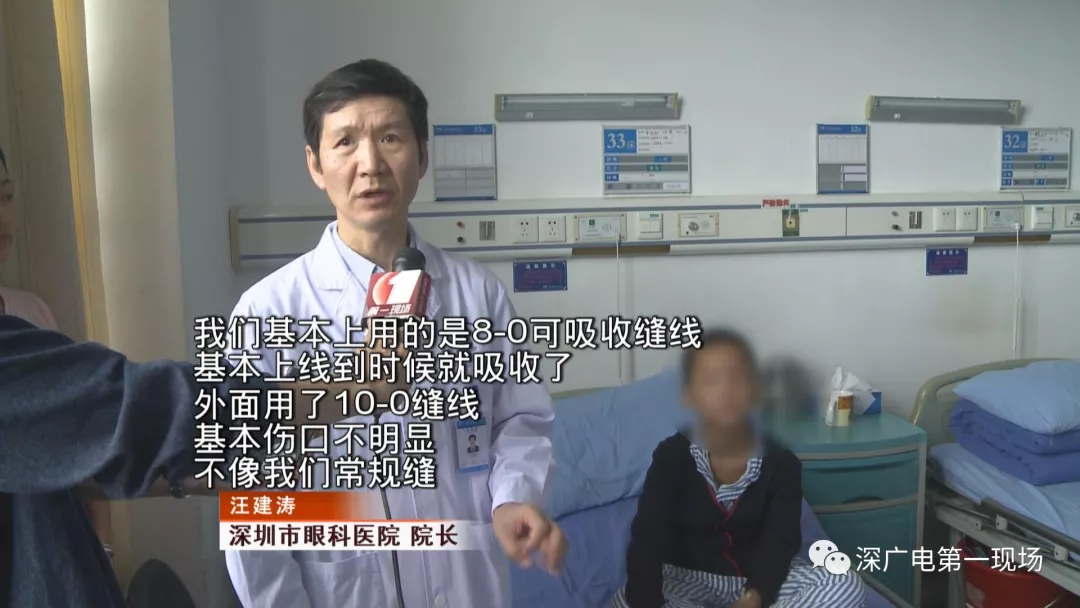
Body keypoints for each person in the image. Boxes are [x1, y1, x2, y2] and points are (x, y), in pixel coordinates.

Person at [223, 59, 566, 608]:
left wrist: (511, 498)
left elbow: (518, 419)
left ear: (422, 156)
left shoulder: (478, 295)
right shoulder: (267, 313)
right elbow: (252, 500)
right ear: (315, 165)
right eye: (345, 142)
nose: (370, 165)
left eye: (390, 138)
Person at [0, 314, 391, 607]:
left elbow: (66, 461)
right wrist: (364, 386)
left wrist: (192, 477)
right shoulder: (269, 308)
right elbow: (149, 408)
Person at [609, 329, 867, 608]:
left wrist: (754, 597)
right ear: (690, 395)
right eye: (711, 380)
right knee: (627, 600)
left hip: (759, 584)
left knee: (845, 583)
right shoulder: (671, 458)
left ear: (754, 389)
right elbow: (647, 539)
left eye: (737, 378)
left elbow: (780, 541)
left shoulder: (781, 463)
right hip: (684, 581)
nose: (726, 391)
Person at [0, 144, 116, 565]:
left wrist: (103, 547)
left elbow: (86, 441)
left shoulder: (31, 312)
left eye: (6, 196)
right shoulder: (263, 305)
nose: (2, 216)